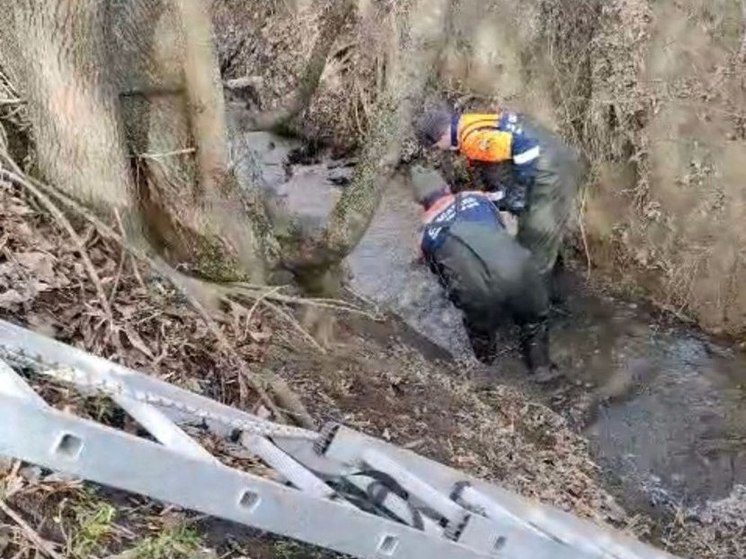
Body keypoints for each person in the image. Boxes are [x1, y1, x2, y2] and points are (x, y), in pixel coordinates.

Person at [416, 108, 586, 299]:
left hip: (549, 172)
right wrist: (498, 198)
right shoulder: (470, 121)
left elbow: (525, 146)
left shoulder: (470, 139)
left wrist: (519, 192)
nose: (440, 149)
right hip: (555, 156)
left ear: (442, 135)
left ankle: (535, 311)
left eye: (437, 145)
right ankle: (558, 289)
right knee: (543, 239)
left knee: (532, 249)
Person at [410, 166, 557, 380]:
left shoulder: (425, 235)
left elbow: (436, 271)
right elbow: (501, 227)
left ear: (421, 205)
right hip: (521, 269)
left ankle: (487, 371)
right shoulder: (477, 197)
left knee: (480, 330)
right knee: (534, 323)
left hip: (478, 294)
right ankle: (542, 370)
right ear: (446, 187)